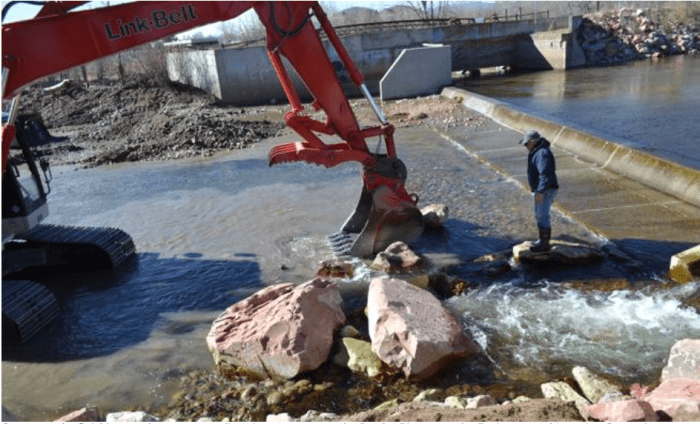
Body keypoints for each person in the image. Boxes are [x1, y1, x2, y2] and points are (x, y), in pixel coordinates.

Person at [519, 130, 559, 252]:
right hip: (542, 189)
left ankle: (544, 245)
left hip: (545, 190)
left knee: (542, 217)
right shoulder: (537, 150)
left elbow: (545, 175)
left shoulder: (542, 153)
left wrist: (540, 192)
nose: (525, 146)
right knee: (540, 216)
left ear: (533, 141)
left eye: (526, 144)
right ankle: (542, 241)